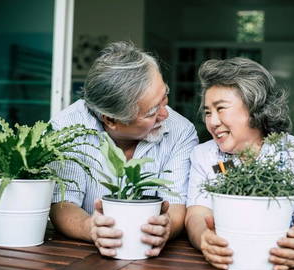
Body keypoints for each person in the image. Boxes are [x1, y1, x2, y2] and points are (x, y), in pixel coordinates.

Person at [49, 41, 198, 258]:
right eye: (152, 112)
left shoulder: (181, 131)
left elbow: (175, 204)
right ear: (111, 120)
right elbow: (62, 203)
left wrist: (167, 227)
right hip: (81, 257)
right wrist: (90, 228)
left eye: (164, 95)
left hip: (148, 256)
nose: (165, 114)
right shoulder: (66, 128)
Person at [185, 57, 294, 270]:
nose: (212, 122)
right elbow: (196, 214)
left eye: (220, 108)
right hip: (226, 264)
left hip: (278, 267)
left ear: (255, 107)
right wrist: (204, 238)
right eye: (207, 112)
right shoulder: (204, 156)